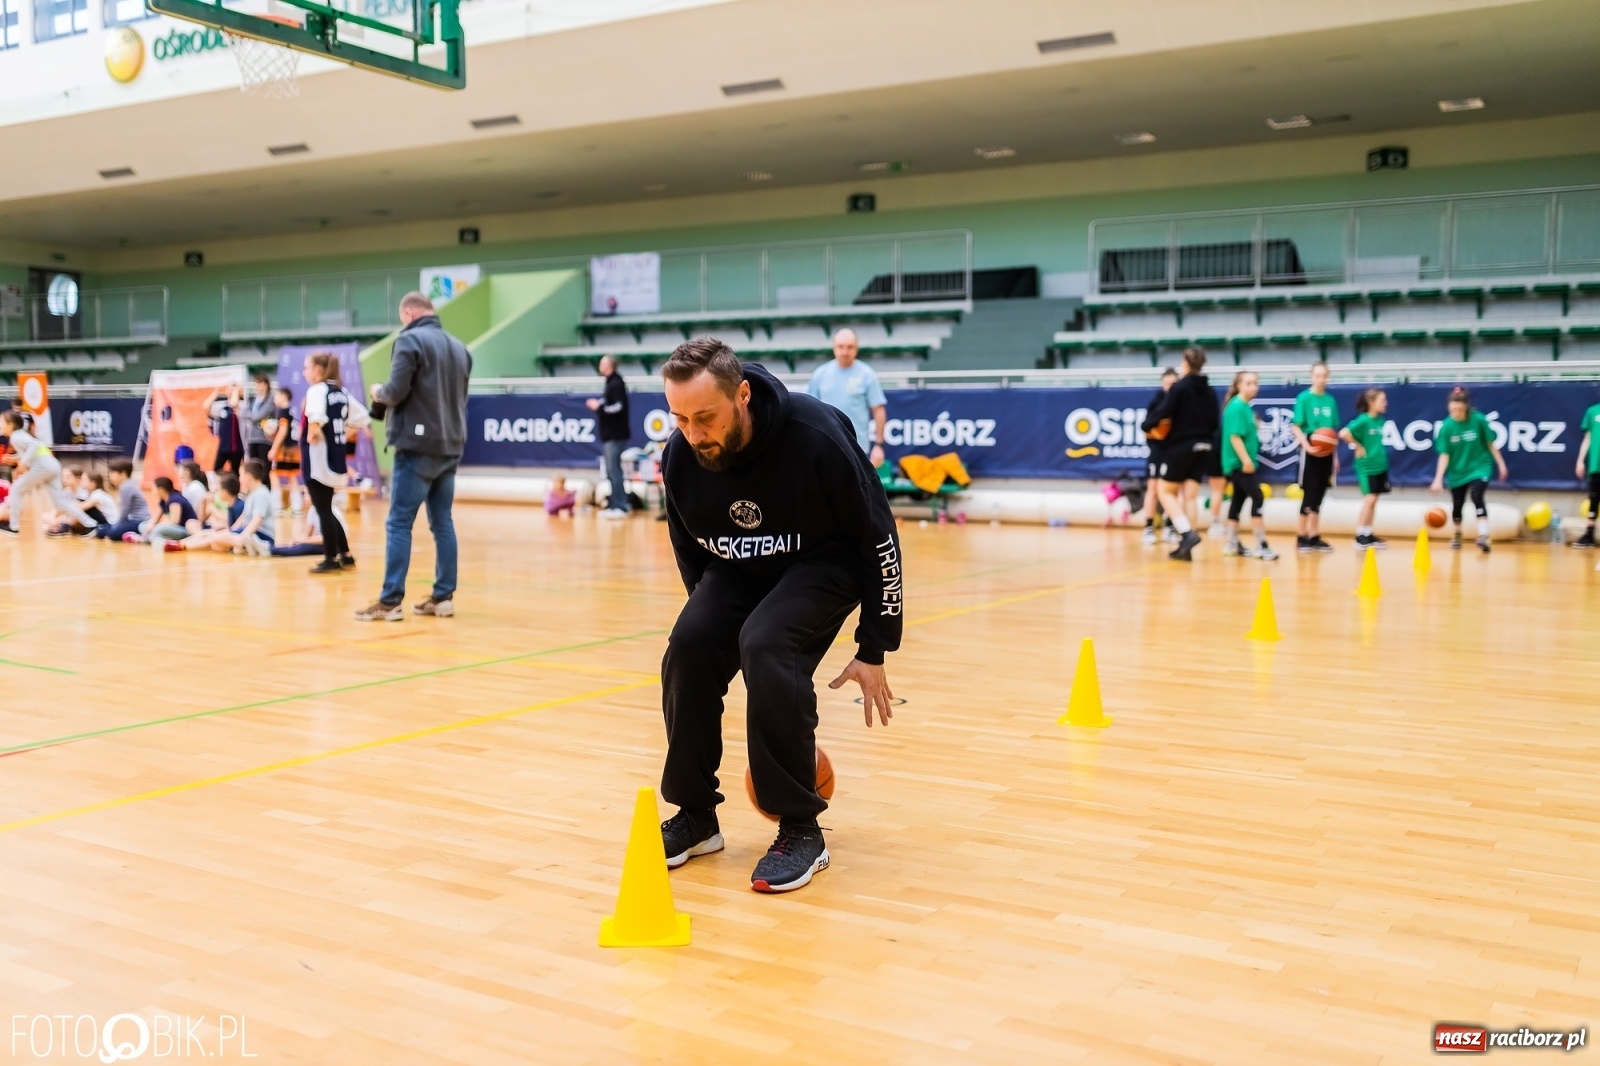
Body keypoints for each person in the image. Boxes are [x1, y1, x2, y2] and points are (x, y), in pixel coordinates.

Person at [653, 337, 902, 894]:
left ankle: (801, 829)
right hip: (739, 568)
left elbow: (879, 536)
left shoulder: (814, 436)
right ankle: (696, 816)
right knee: (690, 646)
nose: (693, 434)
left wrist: (873, 646)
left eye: (705, 418)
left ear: (742, 395)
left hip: (824, 564)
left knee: (766, 643)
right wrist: (713, 627)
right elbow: (689, 548)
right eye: (680, 419)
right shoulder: (682, 455)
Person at [356, 292, 472, 622]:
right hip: (450, 445)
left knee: (398, 523)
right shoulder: (459, 347)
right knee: (442, 522)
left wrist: (379, 392)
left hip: (417, 446)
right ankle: (443, 597)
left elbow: (396, 392)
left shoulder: (409, 341)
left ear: (407, 313)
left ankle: (390, 601)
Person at [1141, 347, 1219, 561]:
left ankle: (1186, 533)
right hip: (1205, 446)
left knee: (1164, 491)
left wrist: (1147, 424)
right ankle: (1187, 547)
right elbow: (1214, 423)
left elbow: (1163, 411)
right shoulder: (1210, 391)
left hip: (1184, 445)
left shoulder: (1180, 387)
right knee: (1190, 496)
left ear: (1185, 363)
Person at [300, 352, 361, 574]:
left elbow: (316, 418)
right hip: (335, 459)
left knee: (322, 510)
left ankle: (330, 558)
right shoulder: (340, 391)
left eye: (306, 367)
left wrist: (312, 433)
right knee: (327, 508)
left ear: (317, 369)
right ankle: (345, 554)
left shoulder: (317, 390)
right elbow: (362, 417)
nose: (304, 371)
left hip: (317, 460)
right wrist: (343, 433)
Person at [1430, 386, 1507, 553]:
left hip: (1480, 467)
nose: (1455, 412)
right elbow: (1444, 454)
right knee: (1457, 505)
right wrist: (1438, 478)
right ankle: (1457, 533)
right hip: (1457, 471)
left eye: (1458, 409)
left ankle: (1484, 535)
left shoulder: (1479, 420)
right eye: (1452, 409)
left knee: (1476, 494)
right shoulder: (1446, 427)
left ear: (1466, 406)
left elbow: (1490, 444)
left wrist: (1501, 464)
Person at [0, 411, 95, 537]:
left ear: (10, 425)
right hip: (52, 465)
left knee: (17, 488)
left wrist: (23, 462)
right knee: (60, 503)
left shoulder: (16, 436)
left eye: (1, 422)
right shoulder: (20, 435)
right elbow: (33, 449)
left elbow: (34, 445)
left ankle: (14, 527)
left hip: (43, 466)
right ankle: (89, 523)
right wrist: (15, 458)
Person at [806, 328, 888, 467]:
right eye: (840, 347)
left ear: (856, 348)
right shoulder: (820, 375)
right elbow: (808, 411)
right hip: (825, 446)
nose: (845, 351)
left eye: (849, 347)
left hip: (857, 448)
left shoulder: (867, 375)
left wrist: (879, 445)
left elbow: (878, 411)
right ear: (834, 347)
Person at [1219, 372, 1278, 561]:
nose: (1254, 386)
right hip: (1238, 464)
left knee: (1237, 500)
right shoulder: (1237, 407)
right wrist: (1245, 460)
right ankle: (1261, 544)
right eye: (1249, 383)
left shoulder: (1244, 407)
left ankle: (1232, 543)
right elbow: (1234, 437)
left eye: (1255, 383)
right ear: (1239, 385)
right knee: (1257, 496)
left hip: (1240, 463)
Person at [176, 460, 275, 556]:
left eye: (241, 475)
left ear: (248, 476)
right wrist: (231, 530)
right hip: (250, 533)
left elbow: (257, 519)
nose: (239, 479)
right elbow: (243, 517)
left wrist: (243, 536)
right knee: (217, 544)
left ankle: (181, 546)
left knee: (216, 538)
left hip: (262, 535)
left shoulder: (261, 493)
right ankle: (243, 547)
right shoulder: (252, 494)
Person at [1290, 362, 1339, 554]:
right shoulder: (1304, 398)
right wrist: (1306, 445)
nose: (1321, 379)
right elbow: (1296, 426)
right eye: (1318, 375)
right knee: (1309, 494)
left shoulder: (1330, 400)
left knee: (1320, 493)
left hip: (1327, 450)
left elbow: (1332, 432)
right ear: (1311, 377)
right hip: (1310, 446)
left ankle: (1314, 535)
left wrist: (1334, 457)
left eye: (1324, 376)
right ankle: (1301, 536)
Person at [1340, 389, 1391, 550]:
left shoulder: (1380, 421)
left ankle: (1368, 533)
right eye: (1382, 400)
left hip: (1379, 465)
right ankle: (1360, 534)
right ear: (1371, 403)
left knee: (1374, 500)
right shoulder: (1363, 420)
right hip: (1366, 466)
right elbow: (1344, 433)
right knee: (1369, 499)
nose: (1385, 403)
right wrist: (1358, 445)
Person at [586, 355, 632, 518]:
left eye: (602, 364)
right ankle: (615, 504)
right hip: (611, 435)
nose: (599, 366)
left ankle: (620, 505)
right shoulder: (610, 383)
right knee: (612, 470)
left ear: (609, 366)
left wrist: (599, 407)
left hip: (616, 435)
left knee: (614, 470)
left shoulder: (616, 383)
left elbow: (618, 407)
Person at [1141, 368, 1178, 545]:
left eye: (1174, 384)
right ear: (1163, 384)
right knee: (1153, 488)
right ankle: (1148, 527)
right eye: (1168, 384)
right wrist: (1159, 433)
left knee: (1173, 490)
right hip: (1157, 451)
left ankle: (1169, 526)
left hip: (1175, 452)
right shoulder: (1156, 403)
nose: (1170, 387)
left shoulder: (1182, 404)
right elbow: (1146, 428)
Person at [267, 385, 305, 517]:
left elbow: (282, 431)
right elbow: (299, 431)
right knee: (292, 477)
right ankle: (297, 508)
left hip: (284, 450)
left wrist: (273, 448)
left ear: (283, 396)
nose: (275, 398)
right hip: (294, 449)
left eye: (277, 395)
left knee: (273, 475)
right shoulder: (292, 411)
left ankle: (276, 508)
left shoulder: (282, 411)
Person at [94, 457, 152, 542]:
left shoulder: (127, 487)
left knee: (111, 532)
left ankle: (134, 535)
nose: (110, 476)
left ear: (123, 474)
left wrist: (115, 527)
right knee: (102, 530)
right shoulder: (126, 486)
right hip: (131, 520)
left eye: (112, 473)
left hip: (138, 521)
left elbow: (124, 512)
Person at [1572, 393, 1600, 548]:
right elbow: (1588, 438)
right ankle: (1589, 535)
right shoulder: (1593, 412)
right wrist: (1580, 460)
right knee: (1594, 499)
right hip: (1596, 465)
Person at [146, 476, 199, 546]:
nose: (152, 490)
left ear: (161, 490)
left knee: (160, 528)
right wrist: (150, 524)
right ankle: (156, 538)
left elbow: (174, 522)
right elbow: (155, 518)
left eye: (154, 487)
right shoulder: (163, 500)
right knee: (143, 526)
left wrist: (157, 526)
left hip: (184, 529)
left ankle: (154, 539)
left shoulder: (175, 499)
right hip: (172, 528)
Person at [210, 384, 245, 477]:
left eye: (232, 390)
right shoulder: (223, 406)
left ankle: (234, 489)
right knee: (217, 469)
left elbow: (234, 404)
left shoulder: (242, 405)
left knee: (235, 471)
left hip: (236, 446)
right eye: (229, 389)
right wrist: (215, 394)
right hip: (224, 445)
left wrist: (237, 391)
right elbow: (206, 408)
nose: (230, 391)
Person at [243, 374, 276, 472]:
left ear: (266, 384)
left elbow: (256, 416)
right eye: (256, 384)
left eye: (260, 384)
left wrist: (251, 415)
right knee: (253, 468)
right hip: (252, 437)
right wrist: (251, 415)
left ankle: (266, 487)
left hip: (265, 438)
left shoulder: (271, 399)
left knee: (265, 469)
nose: (257, 387)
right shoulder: (252, 399)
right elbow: (244, 413)